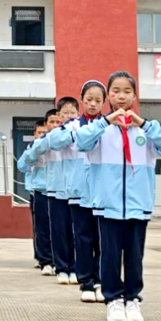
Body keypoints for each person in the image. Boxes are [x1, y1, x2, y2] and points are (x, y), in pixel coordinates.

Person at [76, 71, 161, 321]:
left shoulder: (146, 129)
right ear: (109, 96)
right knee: (110, 255)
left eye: (127, 91)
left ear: (134, 96)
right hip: (108, 205)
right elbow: (82, 142)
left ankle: (132, 299)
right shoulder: (100, 129)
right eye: (116, 91)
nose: (121, 96)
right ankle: (113, 299)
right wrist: (105, 121)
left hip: (138, 205)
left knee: (134, 256)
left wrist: (143, 124)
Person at [48, 81, 106, 302]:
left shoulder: (108, 126)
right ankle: (86, 282)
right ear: (82, 100)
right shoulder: (71, 126)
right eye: (89, 99)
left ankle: (101, 280)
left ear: (104, 102)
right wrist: (78, 135)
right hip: (79, 192)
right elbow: (53, 141)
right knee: (82, 238)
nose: (93, 104)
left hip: (103, 193)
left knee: (103, 240)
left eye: (98, 100)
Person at [35, 97, 80, 286]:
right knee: (58, 231)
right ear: (59, 115)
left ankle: (75, 268)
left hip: (76, 190)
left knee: (76, 232)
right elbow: (38, 149)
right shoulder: (53, 135)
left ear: (78, 114)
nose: (69, 116)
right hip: (56, 189)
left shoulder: (82, 132)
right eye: (65, 113)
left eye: (72, 113)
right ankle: (61, 267)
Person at [19, 109, 61, 276]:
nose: (55, 125)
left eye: (58, 122)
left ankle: (60, 261)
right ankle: (45, 260)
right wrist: (35, 150)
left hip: (60, 191)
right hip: (41, 190)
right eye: (52, 122)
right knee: (42, 228)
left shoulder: (65, 142)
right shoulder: (37, 145)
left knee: (60, 229)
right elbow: (22, 165)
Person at [19, 120, 48, 269]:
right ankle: (40, 256)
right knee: (39, 226)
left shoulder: (53, 147)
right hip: (36, 190)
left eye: (44, 132)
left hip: (54, 191)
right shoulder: (31, 148)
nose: (41, 135)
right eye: (39, 133)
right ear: (35, 134)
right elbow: (22, 166)